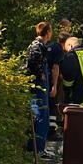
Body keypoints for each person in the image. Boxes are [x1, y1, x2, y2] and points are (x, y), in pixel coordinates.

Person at [25, 22, 53, 156]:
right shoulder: (37, 45)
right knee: (41, 115)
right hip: (38, 87)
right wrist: (40, 74)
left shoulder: (38, 45)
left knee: (39, 115)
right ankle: (38, 149)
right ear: (48, 32)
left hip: (38, 86)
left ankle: (35, 148)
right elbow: (32, 61)